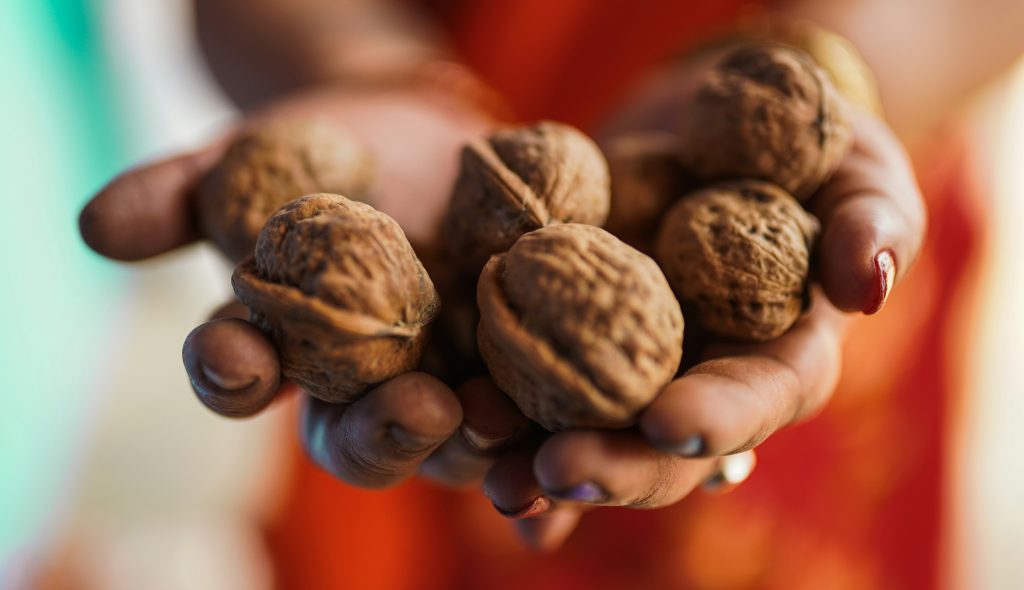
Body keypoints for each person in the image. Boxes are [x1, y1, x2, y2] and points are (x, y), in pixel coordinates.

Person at [78, 0, 1024, 587]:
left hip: (815, 154)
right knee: (420, 442)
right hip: (427, 175)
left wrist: (833, 68)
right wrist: (356, 64)